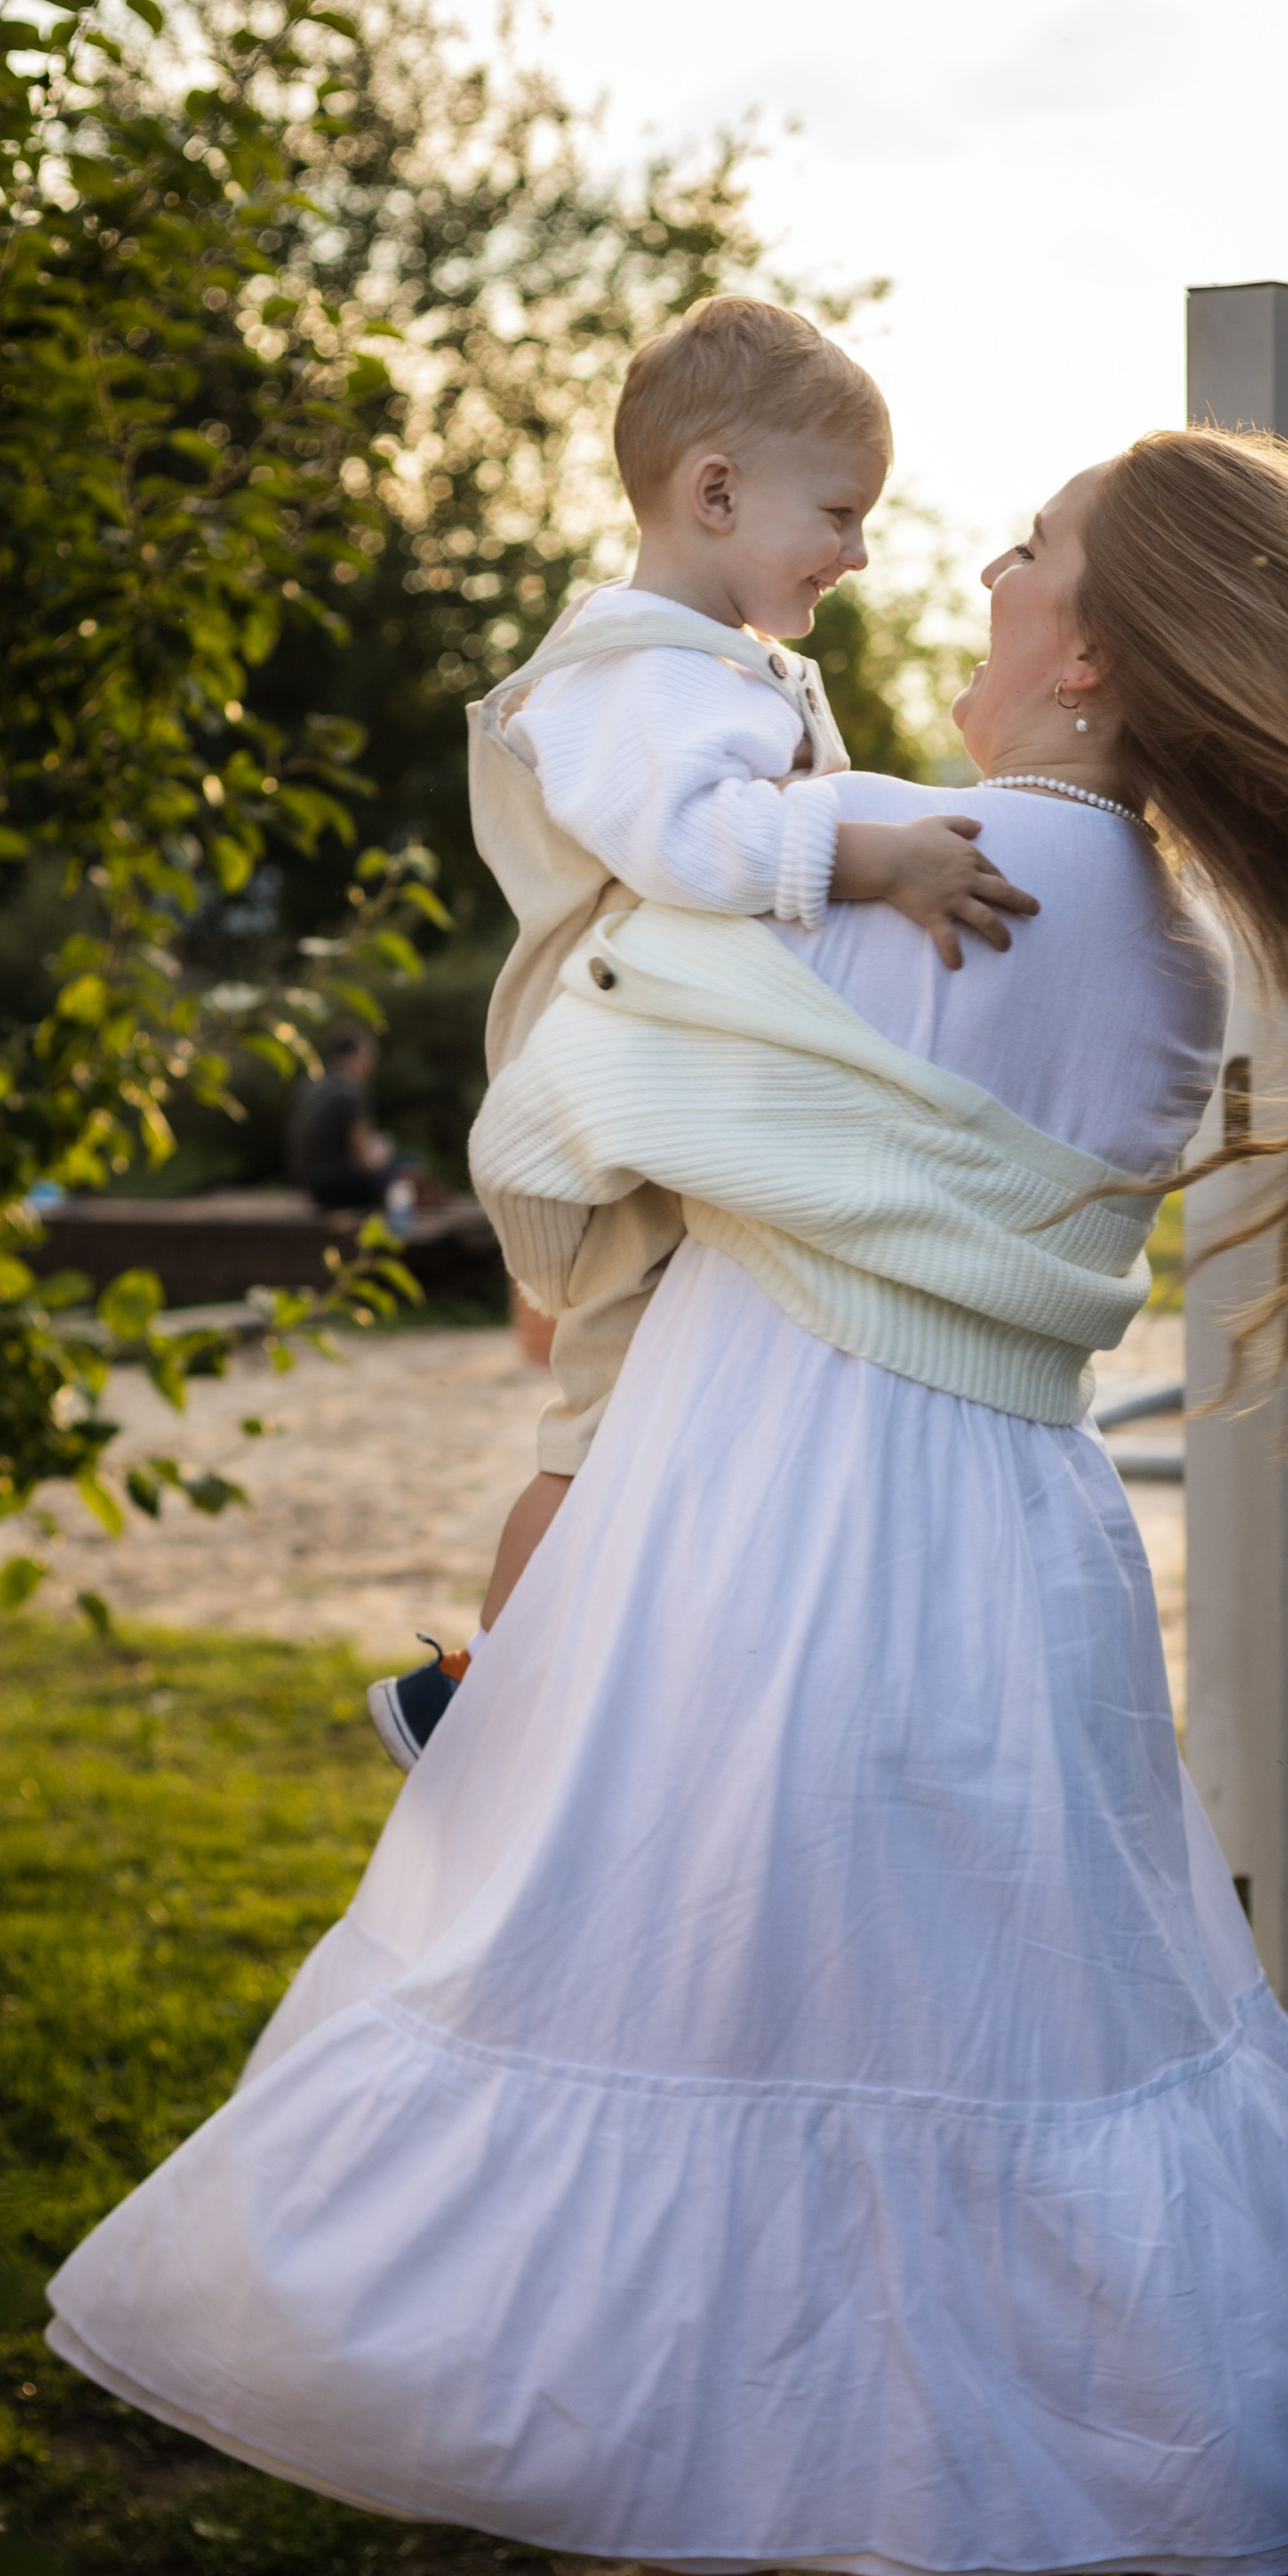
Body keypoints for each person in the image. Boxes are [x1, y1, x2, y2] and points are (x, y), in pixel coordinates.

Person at [46, 426, 1288, 2576]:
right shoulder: (1171, 946)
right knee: (972, 2162)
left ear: (1090, 647)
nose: (976, 578)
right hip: (995, 1588)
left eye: (1024, 553)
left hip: (736, 1564)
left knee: (676, 2098)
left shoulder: (904, 853)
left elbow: (569, 1082)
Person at [365, 294, 1034, 1768]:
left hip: (681, 1083)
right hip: (615, 1090)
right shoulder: (630, 673)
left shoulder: (705, 661)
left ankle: (644, 1681)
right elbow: (692, 842)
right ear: (715, 491)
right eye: (842, 513)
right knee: (604, 1421)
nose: (859, 553)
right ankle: (473, 1706)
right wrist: (887, 860)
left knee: (692, 1403)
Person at [284, 1026, 417, 1220]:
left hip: (309, 1186)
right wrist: (381, 1156)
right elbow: (362, 1159)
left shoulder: (311, 1086)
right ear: (357, 1056)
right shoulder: (350, 1091)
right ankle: (404, 1225)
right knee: (408, 1163)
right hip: (342, 1189)